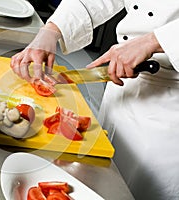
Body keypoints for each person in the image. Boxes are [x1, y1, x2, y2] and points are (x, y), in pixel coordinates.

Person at [10, 0, 179, 199]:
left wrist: (154, 41)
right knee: (100, 183)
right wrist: (52, 30)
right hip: (124, 81)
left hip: (169, 112)